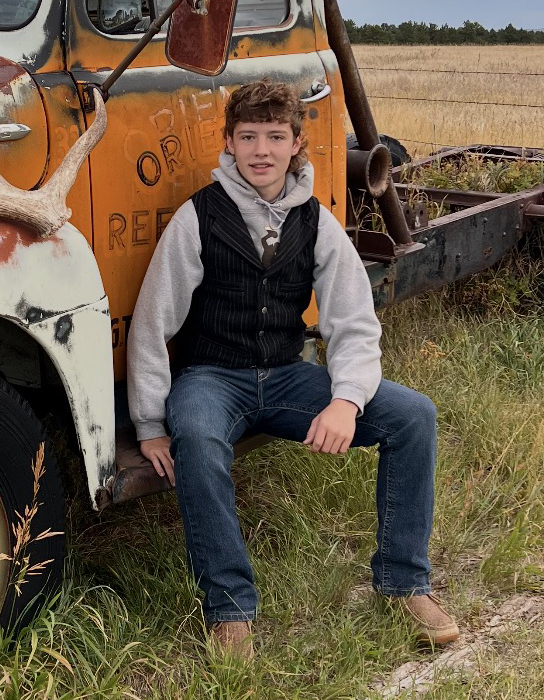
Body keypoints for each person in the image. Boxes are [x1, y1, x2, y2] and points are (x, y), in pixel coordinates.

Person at [127, 80, 459, 660]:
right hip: (211, 376)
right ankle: (230, 609)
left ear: (297, 143)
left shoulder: (317, 222)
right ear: (228, 143)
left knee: (414, 417)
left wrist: (346, 401)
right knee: (198, 439)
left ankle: (404, 583)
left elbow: (353, 324)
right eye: (248, 136)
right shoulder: (196, 218)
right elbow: (153, 324)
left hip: (286, 375)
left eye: (275, 137)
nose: (261, 150)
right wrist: (151, 421)